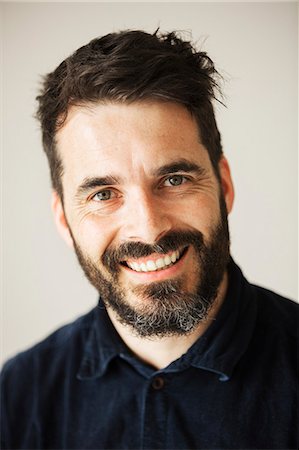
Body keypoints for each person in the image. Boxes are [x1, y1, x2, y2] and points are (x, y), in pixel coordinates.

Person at [1, 29, 298, 450]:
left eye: (174, 179)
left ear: (224, 185)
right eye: (103, 194)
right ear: (63, 219)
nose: (149, 228)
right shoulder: (19, 397)